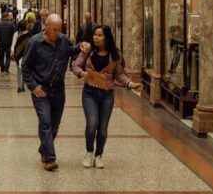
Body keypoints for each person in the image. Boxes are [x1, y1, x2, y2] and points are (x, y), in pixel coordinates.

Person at [72, 24, 143, 168]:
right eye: (95, 35)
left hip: (107, 95)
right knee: (92, 125)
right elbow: (75, 65)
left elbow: (119, 74)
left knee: (103, 127)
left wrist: (131, 84)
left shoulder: (115, 55)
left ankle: (99, 155)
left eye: (99, 35)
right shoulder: (88, 51)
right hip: (89, 93)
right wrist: (81, 73)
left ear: (106, 38)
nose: (96, 38)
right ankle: (89, 152)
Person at [22, 13, 79, 171]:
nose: (57, 32)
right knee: (45, 122)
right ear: (46, 27)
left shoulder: (63, 40)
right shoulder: (35, 42)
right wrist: (33, 86)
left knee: (55, 125)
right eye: (54, 29)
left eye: (60, 29)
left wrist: (82, 46)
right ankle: (50, 158)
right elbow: (25, 67)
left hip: (58, 89)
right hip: (41, 89)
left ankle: (43, 149)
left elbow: (70, 50)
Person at [12, 18, 35, 93]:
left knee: (19, 71)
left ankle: (20, 86)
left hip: (18, 54)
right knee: (24, 71)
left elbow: (14, 44)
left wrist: (13, 52)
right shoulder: (29, 34)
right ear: (25, 26)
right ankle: (22, 86)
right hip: (26, 54)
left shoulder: (17, 34)